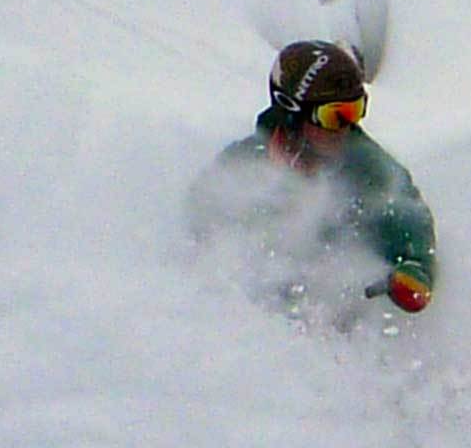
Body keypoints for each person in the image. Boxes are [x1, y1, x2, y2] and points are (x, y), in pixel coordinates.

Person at [186, 40, 437, 320]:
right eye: (333, 116)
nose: (346, 126)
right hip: (251, 317)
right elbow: (198, 219)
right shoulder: (243, 165)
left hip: (332, 323)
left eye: (356, 109)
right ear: (291, 112)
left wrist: (415, 273)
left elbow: (411, 228)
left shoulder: (370, 172)